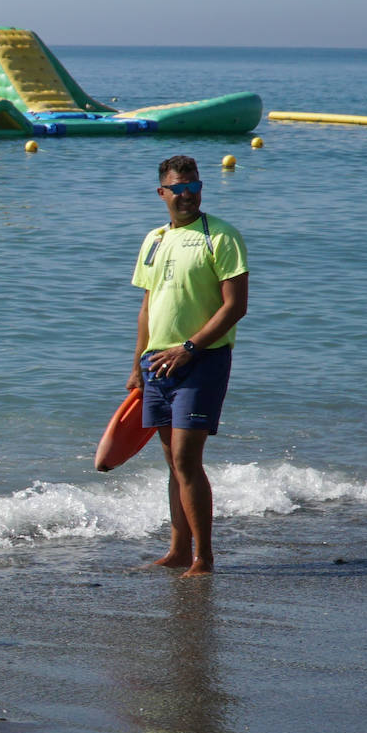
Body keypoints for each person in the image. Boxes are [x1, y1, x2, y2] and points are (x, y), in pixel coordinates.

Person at [127, 155, 249, 577]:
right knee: (171, 462)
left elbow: (235, 307)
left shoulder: (221, 236)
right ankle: (179, 550)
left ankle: (204, 558)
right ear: (161, 193)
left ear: (201, 189)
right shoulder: (154, 239)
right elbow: (148, 306)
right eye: (177, 189)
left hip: (203, 359)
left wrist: (189, 348)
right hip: (156, 364)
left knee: (186, 458)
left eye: (193, 187)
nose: (186, 196)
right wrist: (136, 366)